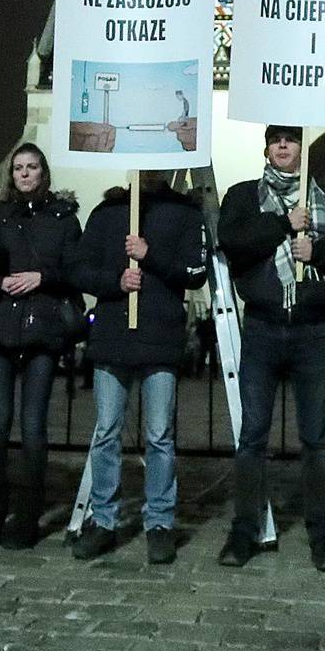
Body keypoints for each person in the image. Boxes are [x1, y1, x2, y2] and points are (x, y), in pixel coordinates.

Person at [215, 125, 325, 572]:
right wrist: (284, 223)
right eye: (276, 140)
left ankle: (323, 535)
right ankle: (244, 531)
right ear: (266, 147)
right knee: (252, 439)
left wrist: (317, 252)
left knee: (317, 441)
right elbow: (235, 240)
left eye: (291, 140)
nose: (283, 146)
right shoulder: (244, 195)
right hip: (263, 330)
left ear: (302, 149)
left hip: (309, 333)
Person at [69, 170, 207, 564]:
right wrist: (116, 282)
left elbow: (195, 274)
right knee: (106, 432)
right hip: (114, 336)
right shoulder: (109, 211)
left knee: (160, 434)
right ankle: (104, 520)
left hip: (160, 336)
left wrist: (151, 256)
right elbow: (80, 268)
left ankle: (160, 522)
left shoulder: (183, 213)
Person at [0, 143, 82, 549]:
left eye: (32, 167)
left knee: (34, 426)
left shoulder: (62, 217)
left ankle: (26, 518)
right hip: (1, 325)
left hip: (41, 326)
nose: (24, 173)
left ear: (43, 172)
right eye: (18, 167)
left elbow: (74, 267)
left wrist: (42, 276)